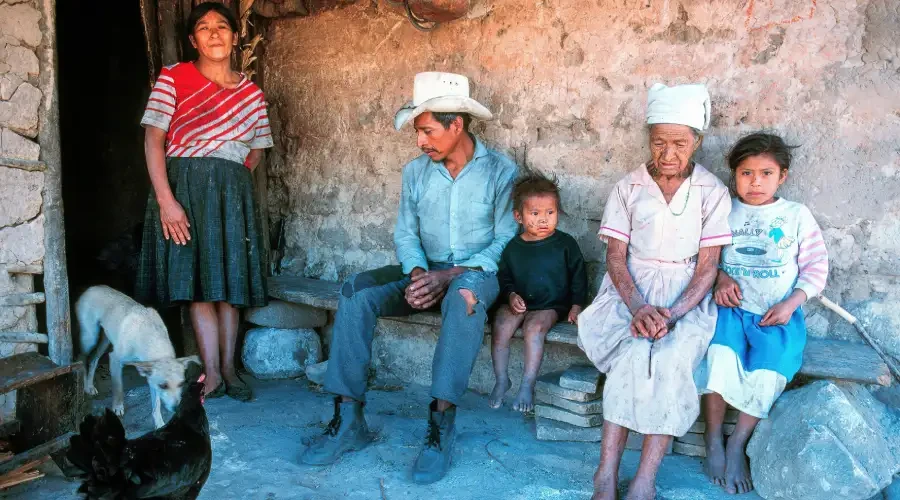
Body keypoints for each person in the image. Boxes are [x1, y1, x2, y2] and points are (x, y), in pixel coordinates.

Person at [300, 72, 519, 485]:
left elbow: (507, 238)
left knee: (464, 298)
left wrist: (451, 274)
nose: (421, 141)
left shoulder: (500, 171)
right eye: (419, 132)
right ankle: (348, 419)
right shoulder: (416, 172)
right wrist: (419, 273)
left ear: (457, 126)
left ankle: (440, 427)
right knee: (356, 291)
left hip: (476, 273)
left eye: (427, 131)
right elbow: (406, 232)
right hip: (426, 268)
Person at [577, 83, 733, 500]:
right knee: (631, 356)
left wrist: (672, 315)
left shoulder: (712, 192)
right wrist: (639, 307)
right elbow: (614, 257)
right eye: (659, 142)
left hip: (685, 298)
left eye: (679, 143)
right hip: (628, 293)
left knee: (670, 359)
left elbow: (707, 268)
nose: (668, 154)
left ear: (696, 142)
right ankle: (605, 475)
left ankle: (645, 479)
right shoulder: (628, 188)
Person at [136, 2, 272, 401]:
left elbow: (257, 152)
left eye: (222, 26)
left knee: (230, 283)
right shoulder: (174, 78)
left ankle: (229, 370)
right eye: (203, 27)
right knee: (198, 284)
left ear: (234, 36)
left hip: (232, 189)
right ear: (193, 39)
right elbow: (153, 139)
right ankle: (211, 373)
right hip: (184, 189)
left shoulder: (251, 93)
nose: (214, 33)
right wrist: (167, 200)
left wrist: (227, 183)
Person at [695, 132, 829, 495]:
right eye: (746, 173)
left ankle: (738, 442)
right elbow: (702, 256)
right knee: (719, 358)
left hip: (776, 315)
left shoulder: (795, 215)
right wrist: (720, 278)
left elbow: (816, 267)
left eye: (766, 173)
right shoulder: (722, 210)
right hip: (731, 311)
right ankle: (712, 438)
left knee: (770, 370)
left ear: (782, 176)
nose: (755, 182)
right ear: (734, 175)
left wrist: (792, 302)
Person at [488, 171, 587, 413]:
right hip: (518, 303)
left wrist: (576, 305)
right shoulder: (513, 247)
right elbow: (504, 277)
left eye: (550, 213)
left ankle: (527, 385)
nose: (543, 220)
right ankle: (502, 379)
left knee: (534, 329)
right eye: (535, 214)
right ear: (518, 216)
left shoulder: (565, 244)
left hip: (551, 305)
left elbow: (578, 275)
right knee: (500, 325)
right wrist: (510, 295)